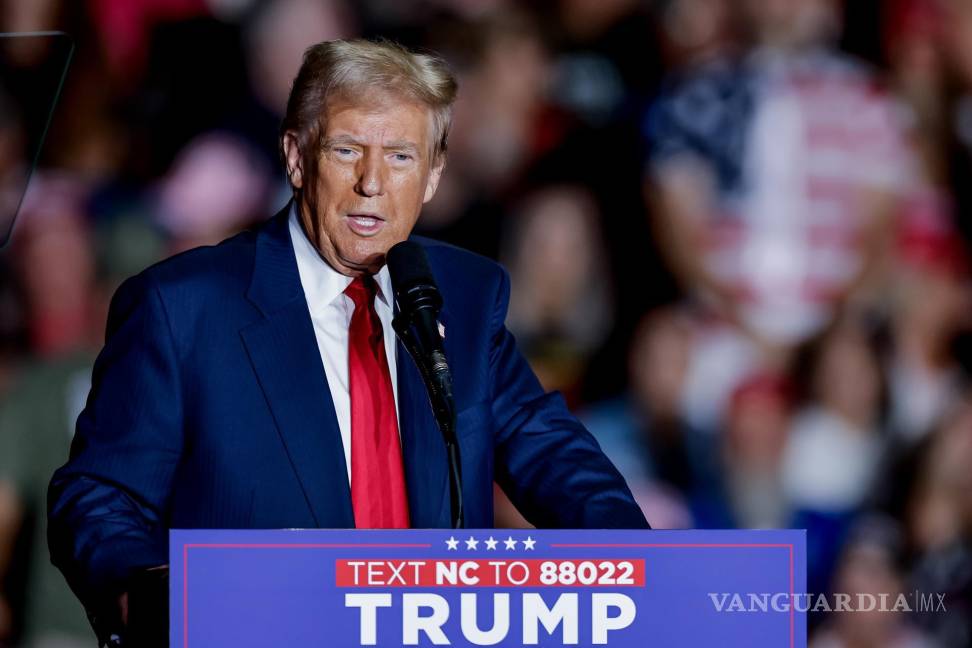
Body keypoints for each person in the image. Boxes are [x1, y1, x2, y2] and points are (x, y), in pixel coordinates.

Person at [47, 39, 648, 644]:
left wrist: (645, 572)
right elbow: (99, 493)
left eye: (400, 156)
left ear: (434, 174)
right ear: (296, 156)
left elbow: (555, 458)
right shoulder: (184, 308)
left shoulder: (463, 295)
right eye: (347, 150)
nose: (372, 183)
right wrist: (150, 593)